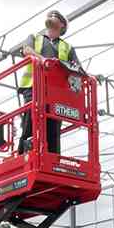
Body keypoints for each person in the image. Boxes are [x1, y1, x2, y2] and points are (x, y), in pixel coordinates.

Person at [17, 10, 83, 155]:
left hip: (56, 92)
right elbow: (27, 50)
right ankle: (23, 156)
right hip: (33, 87)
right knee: (30, 122)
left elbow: (77, 69)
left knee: (53, 128)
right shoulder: (35, 37)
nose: (52, 17)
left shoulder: (67, 47)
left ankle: (53, 159)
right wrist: (43, 59)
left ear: (62, 27)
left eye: (57, 17)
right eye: (51, 16)